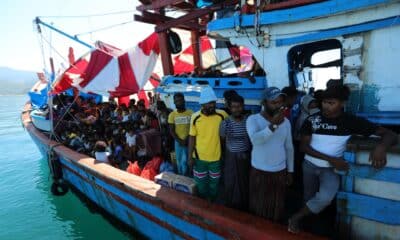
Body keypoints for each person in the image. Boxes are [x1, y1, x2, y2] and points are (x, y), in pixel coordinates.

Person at [288, 85, 398, 233]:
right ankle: (307, 225)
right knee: (308, 197)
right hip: (309, 165)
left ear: (343, 103)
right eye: (325, 102)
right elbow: (304, 147)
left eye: (331, 103)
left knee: (325, 198)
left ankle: (296, 218)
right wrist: (332, 159)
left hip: (331, 170)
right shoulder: (312, 120)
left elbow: (390, 134)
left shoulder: (351, 121)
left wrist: (381, 148)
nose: (326, 106)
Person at [246, 87, 294, 222]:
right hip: (259, 172)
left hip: (280, 171)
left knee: (276, 208)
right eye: (274, 102)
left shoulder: (287, 122)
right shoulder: (253, 119)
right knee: (258, 207)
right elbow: (255, 140)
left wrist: (290, 171)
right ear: (264, 103)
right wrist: (273, 125)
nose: (278, 106)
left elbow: (289, 147)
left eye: (280, 102)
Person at [188, 87, 228, 201]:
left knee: (214, 184)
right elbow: (192, 137)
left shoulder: (222, 115)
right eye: (209, 103)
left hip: (216, 158)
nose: (212, 105)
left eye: (213, 103)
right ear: (203, 104)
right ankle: (202, 203)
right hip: (199, 158)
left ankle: (212, 203)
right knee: (201, 184)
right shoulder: (195, 117)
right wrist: (190, 157)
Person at [220, 94, 251, 210]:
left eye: (239, 106)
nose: (237, 109)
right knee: (231, 181)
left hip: (245, 156)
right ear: (229, 108)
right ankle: (231, 205)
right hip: (231, 156)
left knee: (244, 181)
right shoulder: (225, 123)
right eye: (234, 107)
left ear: (243, 106)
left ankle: (244, 205)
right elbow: (222, 140)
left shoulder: (248, 120)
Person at [168, 93, 193, 176]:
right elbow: (171, 130)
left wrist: (187, 139)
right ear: (174, 102)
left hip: (190, 141)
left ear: (184, 101)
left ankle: (190, 179)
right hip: (178, 142)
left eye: (180, 100)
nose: (179, 102)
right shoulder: (172, 115)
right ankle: (182, 178)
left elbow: (193, 128)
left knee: (189, 161)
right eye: (176, 101)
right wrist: (180, 141)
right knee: (180, 162)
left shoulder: (191, 113)